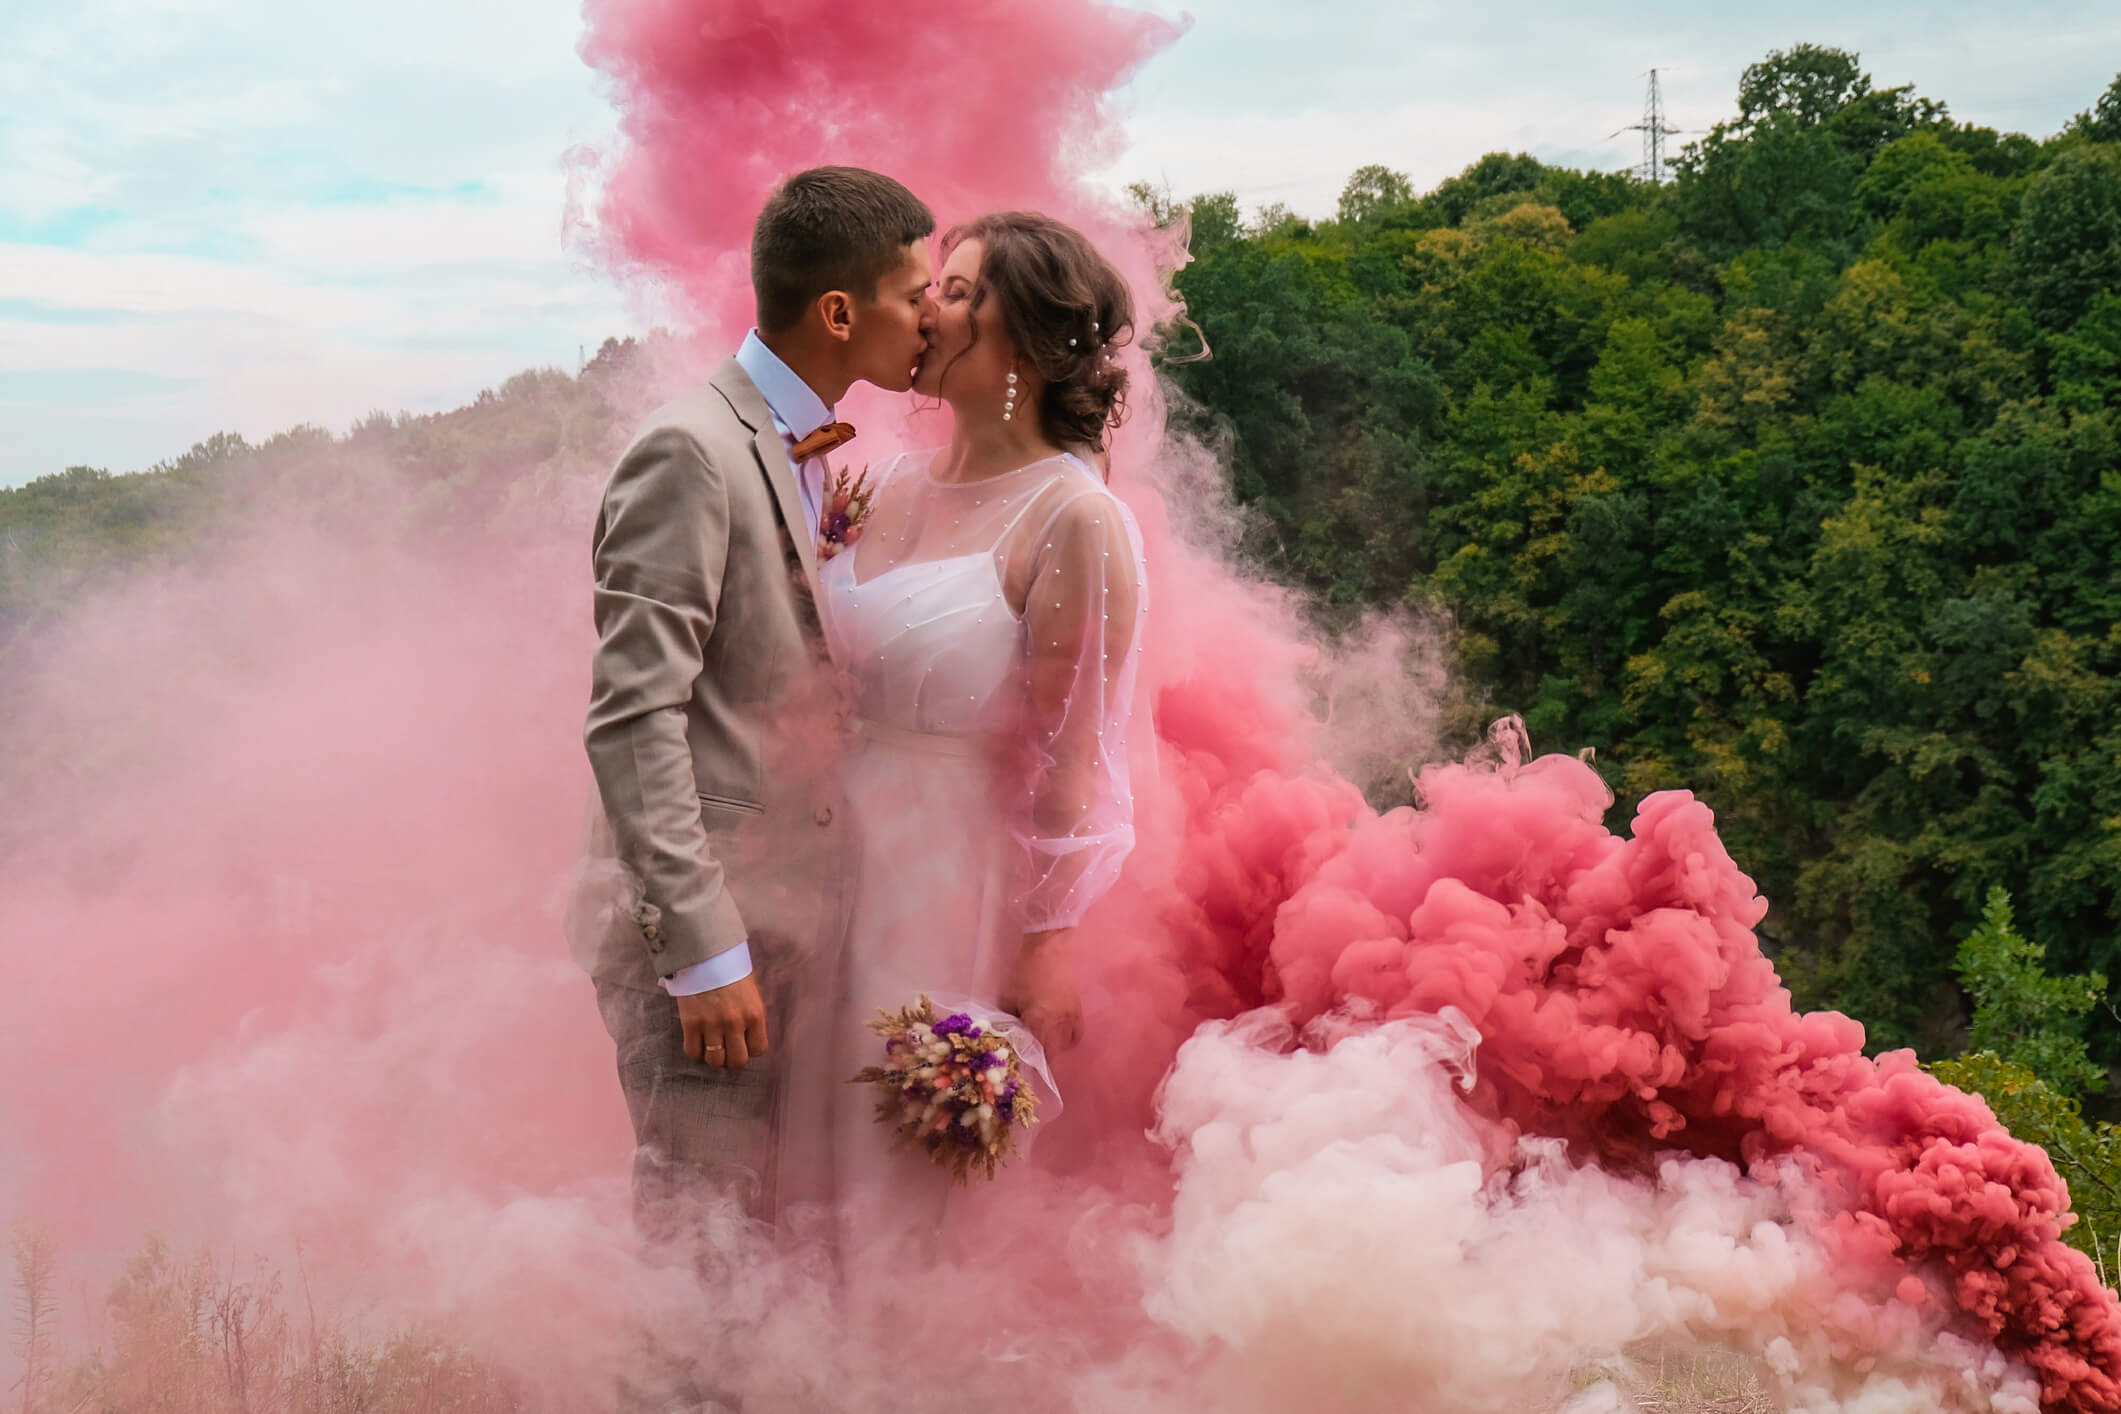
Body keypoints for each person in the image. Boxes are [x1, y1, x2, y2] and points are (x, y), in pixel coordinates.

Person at [567, 166, 936, 1269]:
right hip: (716, 945)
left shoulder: (804, 447)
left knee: (774, 1275)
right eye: (914, 293)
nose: (929, 316)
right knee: (705, 1276)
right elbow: (634, 718)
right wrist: (702, 952)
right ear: (840, 313)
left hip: (802, 928)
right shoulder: (692, 448)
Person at [811, 211, 1149, 1277]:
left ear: (1036, 342)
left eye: (956, 292)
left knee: (890, 1167)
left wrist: (1044, 941)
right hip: (819, 855)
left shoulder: (1072, 519)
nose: (925, 308)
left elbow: (1074, 759)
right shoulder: (883, 486)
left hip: (942, 876)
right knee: (798, 1156)